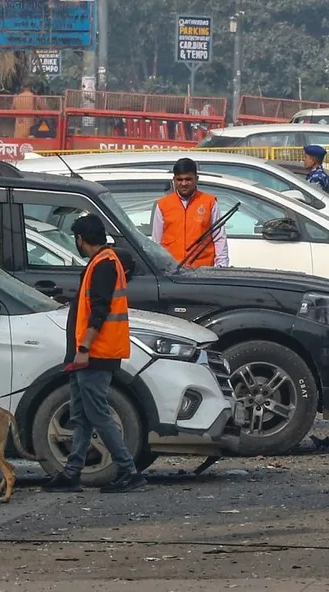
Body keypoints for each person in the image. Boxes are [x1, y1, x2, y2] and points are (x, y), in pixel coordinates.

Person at [42, 214, 146, 494]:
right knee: (82, 414)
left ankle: (128, 470)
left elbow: (99, 311)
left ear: (80, 240)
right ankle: (72, 471)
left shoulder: (103, 265)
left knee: (97, 413)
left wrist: (84, 349)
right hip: (88, 354)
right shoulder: (102, 263)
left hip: (95, 354)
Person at [151, 158, 229, 268]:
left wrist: (222, 266)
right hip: (172, 270)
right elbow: (157, 241)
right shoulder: (163, 204)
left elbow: (219, 238)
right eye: (179, 179)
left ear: (196, 179)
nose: (184, 183)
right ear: (174, 180)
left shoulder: (209, 202)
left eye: (188, 179)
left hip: (203, 270)